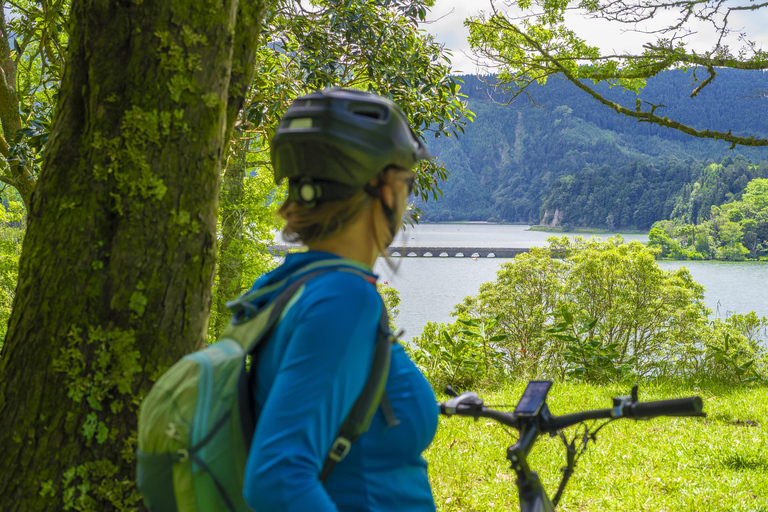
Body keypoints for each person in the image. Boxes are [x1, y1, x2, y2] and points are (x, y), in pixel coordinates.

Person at [241, 88, 439, 512]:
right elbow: (277, 478)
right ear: (385, 188)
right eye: (408, 182)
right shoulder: (343, 299)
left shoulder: (285, 285)